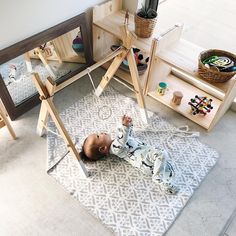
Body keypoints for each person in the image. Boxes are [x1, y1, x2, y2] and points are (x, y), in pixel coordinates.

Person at [82, 115, 178, 194]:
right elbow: (122, 139)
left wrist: (129, 125)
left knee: (165, 166)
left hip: (146, 158)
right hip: (144, 159)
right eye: (98, 136)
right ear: (103, 148)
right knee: (161, 154)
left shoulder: (117, 142)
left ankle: (165, 183)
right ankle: (157, 177)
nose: (101, 132)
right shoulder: (114, 148)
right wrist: (124, 126)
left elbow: (127, 137)